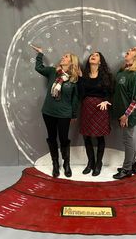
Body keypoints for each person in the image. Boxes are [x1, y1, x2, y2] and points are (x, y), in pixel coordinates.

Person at [31, 44, 79, 178]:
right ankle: (55, 164)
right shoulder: (53, 72)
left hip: (64, 113)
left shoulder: (74, 78)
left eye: (66, 57)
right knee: (52, 138)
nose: (62, 58)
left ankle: (66, 164)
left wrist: (74, 114)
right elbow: (38, 68)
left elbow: (75, 99)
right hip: (48, 112)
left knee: (64, 139)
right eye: (63, 56)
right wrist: (40, 54)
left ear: (71, 62)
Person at [112, 46, 136, 180]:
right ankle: (132, 165)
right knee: (126, 138)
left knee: (127, 139)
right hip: (120, 112)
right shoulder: (122, 72)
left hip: (128, 115)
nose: (128, 50)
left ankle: (127, 169)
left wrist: (126, 114)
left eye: (132, 49)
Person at [79, 52, 112, 176]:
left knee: (100, 137)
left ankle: (99, 164)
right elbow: (81, 94)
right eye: (91, 55)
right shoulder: (85, 75)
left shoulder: (106, 76)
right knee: (86, 136)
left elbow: (110, 92)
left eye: (96, 55)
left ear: (100, 61)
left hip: (100, 109)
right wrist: (81, 79)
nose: (93, 56)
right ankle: (90, 162)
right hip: (87, 108)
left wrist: (105, 100)